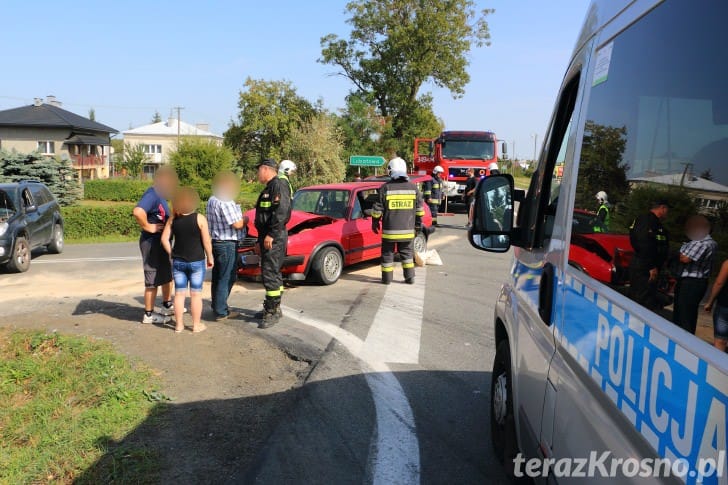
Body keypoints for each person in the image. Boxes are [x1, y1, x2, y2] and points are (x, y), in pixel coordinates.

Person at [161, 187, 214, 333]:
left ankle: (178, 326)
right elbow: (207, 242)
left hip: (178, 261)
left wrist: (172, 253)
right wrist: (210, 257)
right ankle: (196, 325)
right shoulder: (200, 218)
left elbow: (164, 239)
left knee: (179, 294)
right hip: (196, 261)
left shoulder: (173, 218)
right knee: (196, 294)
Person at [132, 166, 178, 324]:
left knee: (167, 275)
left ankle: (166, 305)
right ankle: (149, 315)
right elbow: (138, 211)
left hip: (161, 243)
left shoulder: (161, 195)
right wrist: (147, 226)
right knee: (152, 278)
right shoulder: (152, 194)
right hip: (152, 243)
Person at [371, 157, 425, 285]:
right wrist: (417, 226)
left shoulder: (385, 188)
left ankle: (387, 279)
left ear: (391, 170)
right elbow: (420, 210)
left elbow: (377, 209)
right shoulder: (413, 188)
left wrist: (374, 222)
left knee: (387, 255)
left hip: (389, 231)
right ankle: (410, 278)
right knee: (407, 255)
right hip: (407, 231)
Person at [254, 159, 292, 328]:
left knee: (270, 273)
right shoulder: (269, 188)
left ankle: (271, 311)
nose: (257, 174)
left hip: (273, 237)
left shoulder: (278, 185)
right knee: (273, 272)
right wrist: (259, 240)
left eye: (258, 170)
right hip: (267, 236)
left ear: (266, 169)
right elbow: (264, 217)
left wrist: (271, 234)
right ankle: (274, 306)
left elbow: (281, 212)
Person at [206, 171, 248, 321]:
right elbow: (237, 224)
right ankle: (221, 310)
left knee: (218, 276)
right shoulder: (226, 201)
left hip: (217, 242)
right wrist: (246, 219)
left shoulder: (212, 199)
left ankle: (216, 305)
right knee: (227, 276)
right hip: (227, 243)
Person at [673, 215, 717, 334]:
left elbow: (685, 258)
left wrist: (676, 252)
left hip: (691, 282)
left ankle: (683, 342)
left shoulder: (701, 242)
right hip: (694, 282)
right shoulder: (706, 241)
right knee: (685, 313)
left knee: (684, 315)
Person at [628, 199, 670, 311]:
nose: (667, 213)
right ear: (662, 208)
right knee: (641, 300)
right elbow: (643, 244)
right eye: (667, 210)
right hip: (644, 267)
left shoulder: (656, 223)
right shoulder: (646, 220)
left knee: (646, 298)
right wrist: (651, 266)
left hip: (648, 267)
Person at [703, 259, 728, 352]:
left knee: (720, 340)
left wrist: (710, 301)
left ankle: (718, 363)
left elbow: (719, 283)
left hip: (725, 305)